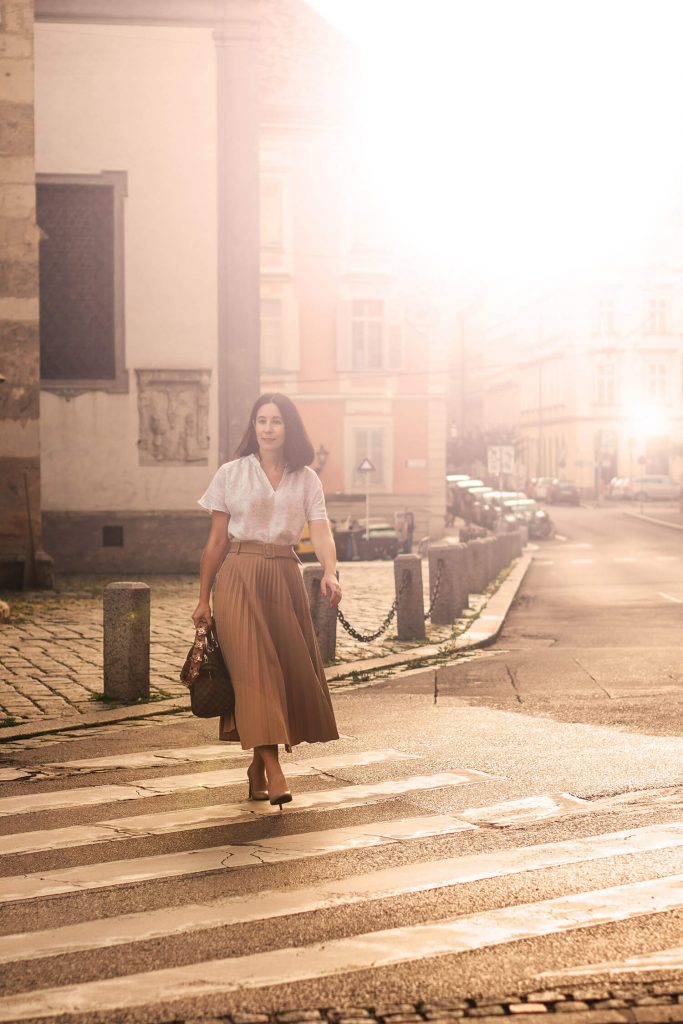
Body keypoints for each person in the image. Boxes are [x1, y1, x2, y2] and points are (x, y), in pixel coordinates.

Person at [192, 393, 341, 808]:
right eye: (261, 420)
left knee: (281, 675)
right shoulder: (231, 474)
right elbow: (216, 541)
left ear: (288, 427)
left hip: (284, 577)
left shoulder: (307, 479)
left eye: (276, 421)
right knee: (254, 674)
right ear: (253, 426)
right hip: (238, 578)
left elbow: (322, 530)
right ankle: (275, 770)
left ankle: (257, 767)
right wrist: (203, 599)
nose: (268, 428)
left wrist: (330, 570)